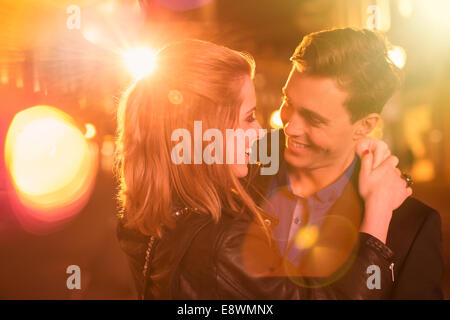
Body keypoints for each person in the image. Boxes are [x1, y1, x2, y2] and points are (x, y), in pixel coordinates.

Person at [115, 39, 410, 299]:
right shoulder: (223, 245)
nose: (261, 133)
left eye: (315, 117)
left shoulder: (154, 214)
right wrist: (378, 211)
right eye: (249, 117)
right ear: (207, 130)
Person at [251, 28, 444, 299]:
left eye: (314, 119)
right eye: (287, 101)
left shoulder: (411, 226)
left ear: (364, 125)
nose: (290, 126)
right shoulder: (242, 173)